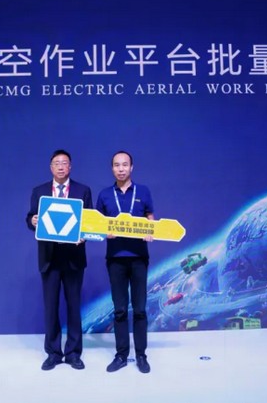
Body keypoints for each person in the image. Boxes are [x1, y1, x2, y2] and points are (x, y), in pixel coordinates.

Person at [26, 149, 92, 371]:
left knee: (74, 307)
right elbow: (30, 217)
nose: (61, 166)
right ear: (51, 167)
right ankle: (53, 353)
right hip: (49, 258)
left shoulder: (83, 190)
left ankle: (73, 353)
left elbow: (90, 221)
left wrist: (84, 235)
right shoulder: (39, 191)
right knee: (51, 307)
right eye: (57, 163)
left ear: (70, 166)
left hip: (74, 258)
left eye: (64, 163)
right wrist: (32, 220)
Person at [96, 151, 154, 374]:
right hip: (116, 260)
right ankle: (121, 355)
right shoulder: (104, 195)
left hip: (139, 258)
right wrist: (105, 232)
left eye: (124, 165)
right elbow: (97, 224)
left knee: (139, 309)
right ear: (112, 168)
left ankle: (141, 355)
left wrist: (150, 230)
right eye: (116, 165)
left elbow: (150, 217)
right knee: (120, 309)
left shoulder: (143, 191)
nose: (121, 169)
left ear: (131, 167)